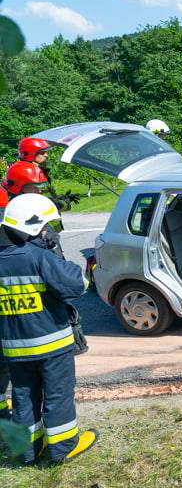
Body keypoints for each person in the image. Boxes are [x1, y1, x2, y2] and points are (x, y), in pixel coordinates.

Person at [0, 194, 97, 464]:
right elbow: (77, 285)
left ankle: (25, 452)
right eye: (47, 226)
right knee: (57, 396)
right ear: (34, 227)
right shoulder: (38, 257)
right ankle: (62, 448)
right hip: (52, 346)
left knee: (23, 398)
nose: (50, 231)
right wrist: (52, 252)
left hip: (14, 349)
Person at [16, 138, 80, 212]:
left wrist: (62, 197)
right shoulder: (26, 172)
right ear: (30, 153)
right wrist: (63, 203)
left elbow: (47, 194)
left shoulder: (39, 171)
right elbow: (34, 201)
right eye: (42, 152)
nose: (46, 155)